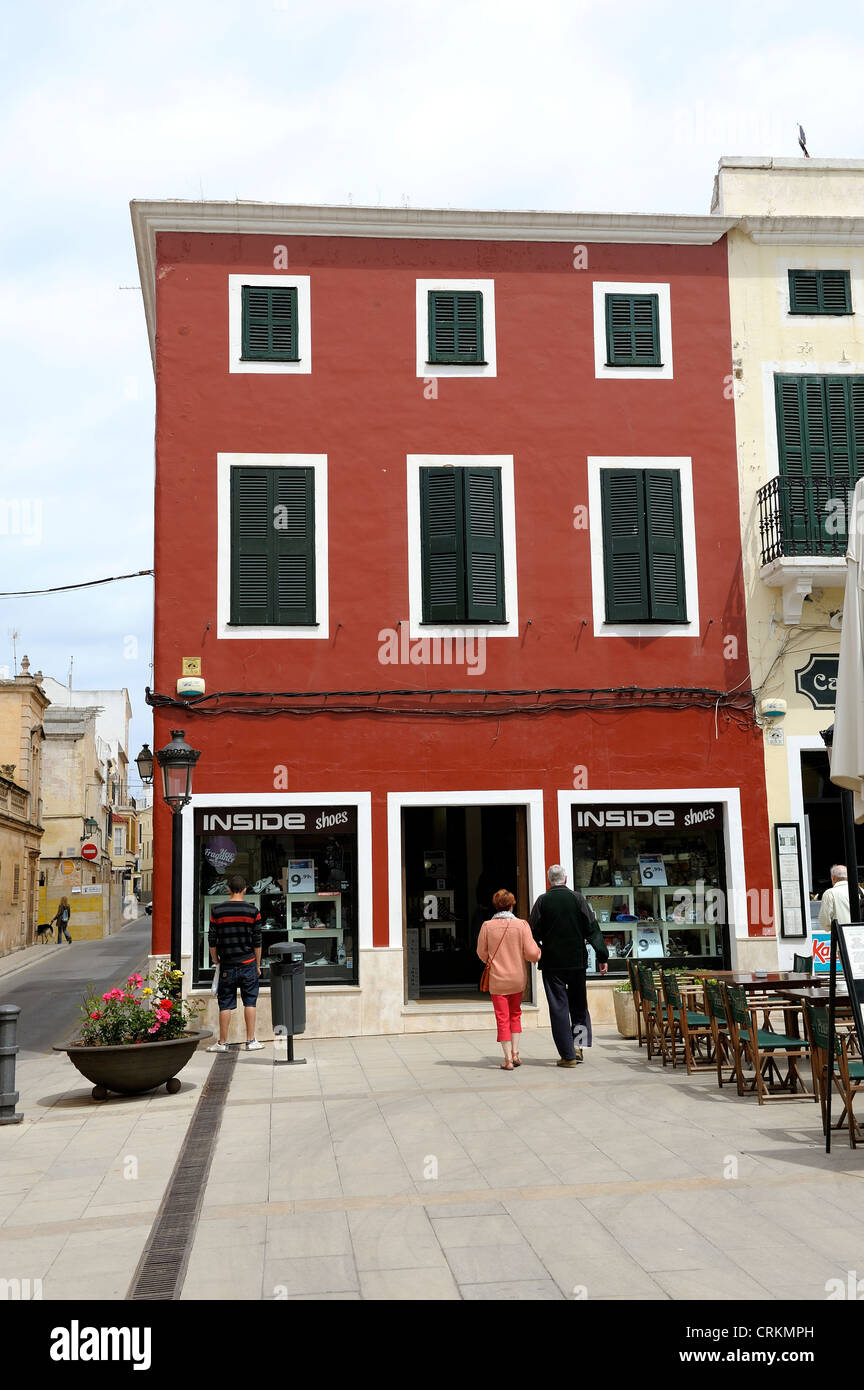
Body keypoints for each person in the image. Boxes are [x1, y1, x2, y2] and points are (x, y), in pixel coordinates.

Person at [530, 865, 608, 1067]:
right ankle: (578, 1048)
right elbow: (592, 929)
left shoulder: (542, 901)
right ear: (565, 879)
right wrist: (602, 956)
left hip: (552, 963)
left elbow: (532, 932)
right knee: (579, 1005)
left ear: (549, 880)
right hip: (576, 962)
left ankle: (567, 1055)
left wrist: (539, 949)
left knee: (558, 1008)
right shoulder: (578, 899)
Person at [476, 889, 541, 1071]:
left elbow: (481, 953)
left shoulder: (487, 926)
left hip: (497, 980)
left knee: (502, 1018)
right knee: (516, 1014)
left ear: (495, 906)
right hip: (517, 979)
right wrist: (538, 953)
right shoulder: (522, 925)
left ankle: (507, 1060)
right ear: (512, 905)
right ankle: (515, 1052)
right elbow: (532, 953)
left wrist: (492, 960)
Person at [207, 875, 264, 1052]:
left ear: (229, 889)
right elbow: (257, 940)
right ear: (245, 889)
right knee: (250, 1002)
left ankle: (222, 1043)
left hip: (227, 965)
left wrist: (216, 960)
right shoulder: (253, 911)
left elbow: (212, 939)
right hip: (248, 962)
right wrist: (258, 964)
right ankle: (251, 1041)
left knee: (225, 1003)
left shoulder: (217, 911)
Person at [818, 864, 855, 929]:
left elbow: (825, 920)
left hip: (841, 935)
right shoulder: (861, 891)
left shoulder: (830, 893)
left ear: (833, 877)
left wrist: (831, 929)